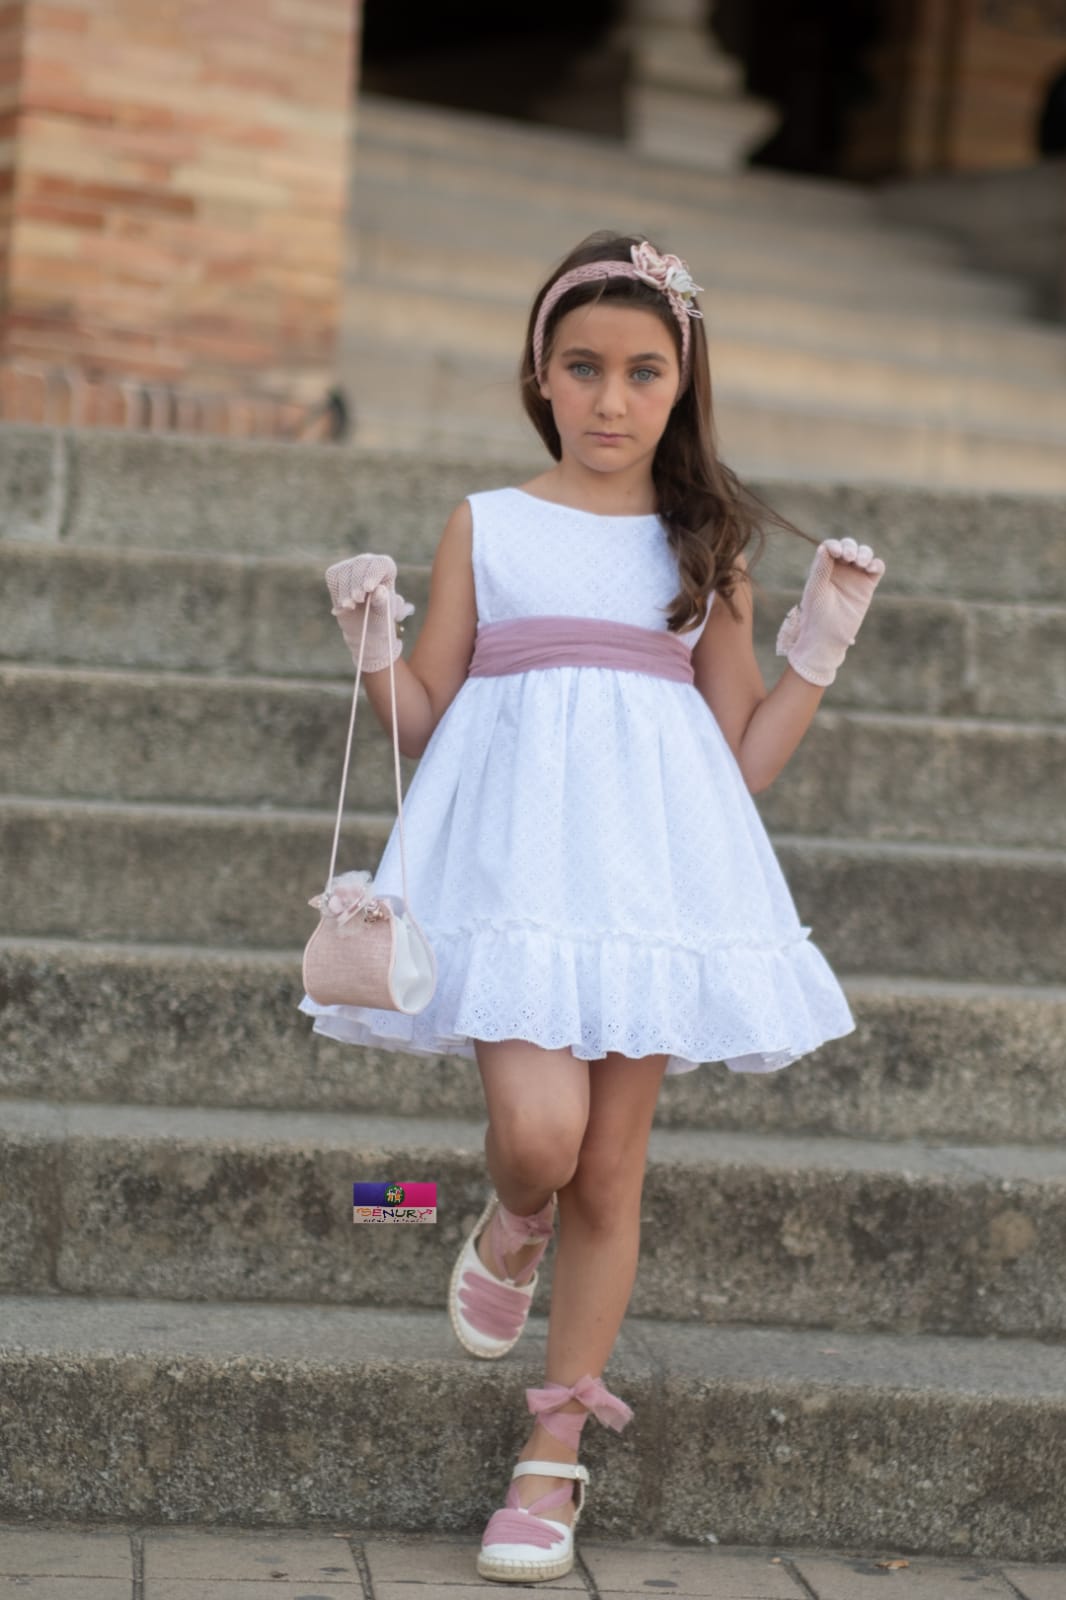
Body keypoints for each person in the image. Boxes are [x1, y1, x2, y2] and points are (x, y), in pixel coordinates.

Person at [298, 230, 885, 1584]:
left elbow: (741, 759)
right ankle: (512, 1220)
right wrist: (374, 643)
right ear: (539, 377)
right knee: (540, 1136)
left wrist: (817, 646)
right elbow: (426, 721)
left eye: (642, 372)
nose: (610, 399)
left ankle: (552, 1453)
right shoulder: (489, 524)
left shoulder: (703, 544)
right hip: (516, 880)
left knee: (610, 1170)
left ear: (681, 385)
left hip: (649, 880)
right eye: (582, 368)